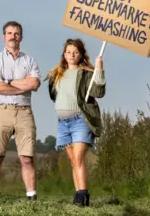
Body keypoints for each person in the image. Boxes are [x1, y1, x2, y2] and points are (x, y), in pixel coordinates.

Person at [45, 38, 106, 207]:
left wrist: (99, 68)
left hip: (80, 119)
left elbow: (98, 91)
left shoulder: (86, 73)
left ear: (81, 55)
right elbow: (53, 95)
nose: (72, 55)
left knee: (78, 158)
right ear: (64, 54)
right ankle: (78, 193)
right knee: (73, 160)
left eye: (76, 52)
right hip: (63, 122)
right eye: (69, 52)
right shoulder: (56, 73)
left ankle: (82, 195)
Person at [0, 21, 41, 204]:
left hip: (24, 112)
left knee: (27, 157)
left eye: (16, 33)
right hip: (2, 110)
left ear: (21, 37)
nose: (12, 36)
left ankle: (31, 195)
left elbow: (34, 84)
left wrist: (8, 81)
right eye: (9, 33)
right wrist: (20, 85)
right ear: (4, 36)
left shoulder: (29, 61)